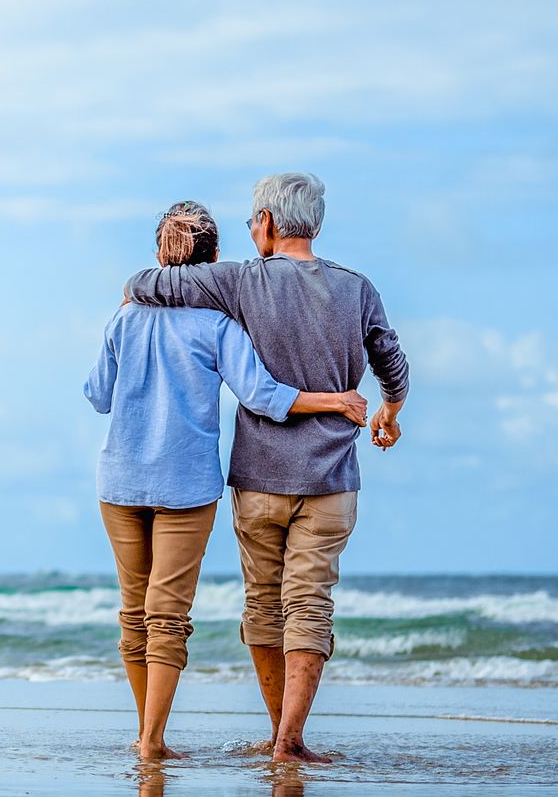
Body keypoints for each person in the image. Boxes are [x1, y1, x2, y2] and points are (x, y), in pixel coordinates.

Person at [124, 173, 409, 764]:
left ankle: (279, 729)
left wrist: (139, 291)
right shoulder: (357, 288)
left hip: (258, 477)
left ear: (269, 224)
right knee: (310, 605)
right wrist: (390, 411)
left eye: (254, 220)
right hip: (332, 479)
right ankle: (289, 740)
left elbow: (147, 283)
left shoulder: (241, 281)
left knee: (263, 604)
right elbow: (392, 360)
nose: (253, 229)